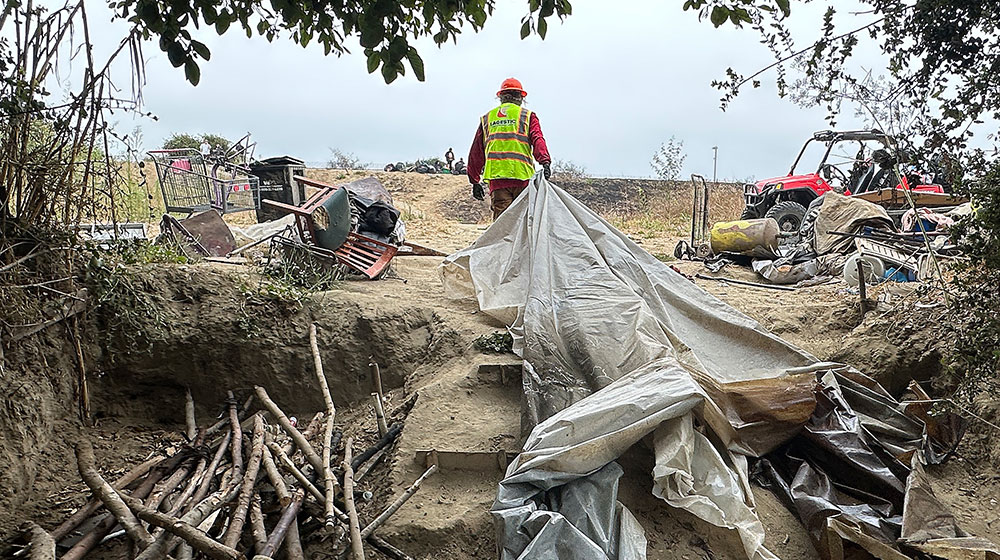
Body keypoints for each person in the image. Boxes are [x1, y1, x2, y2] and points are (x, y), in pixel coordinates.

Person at [467, 78, 552, 219]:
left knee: (502, 226)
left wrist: (474, 180)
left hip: (498, 179)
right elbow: (538, 139)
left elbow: (476, 152)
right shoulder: (527, 116)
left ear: (500, 96)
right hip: (522, 177)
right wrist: (545, 162)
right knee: (524, 223)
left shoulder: (488, 118)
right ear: (521, 97)